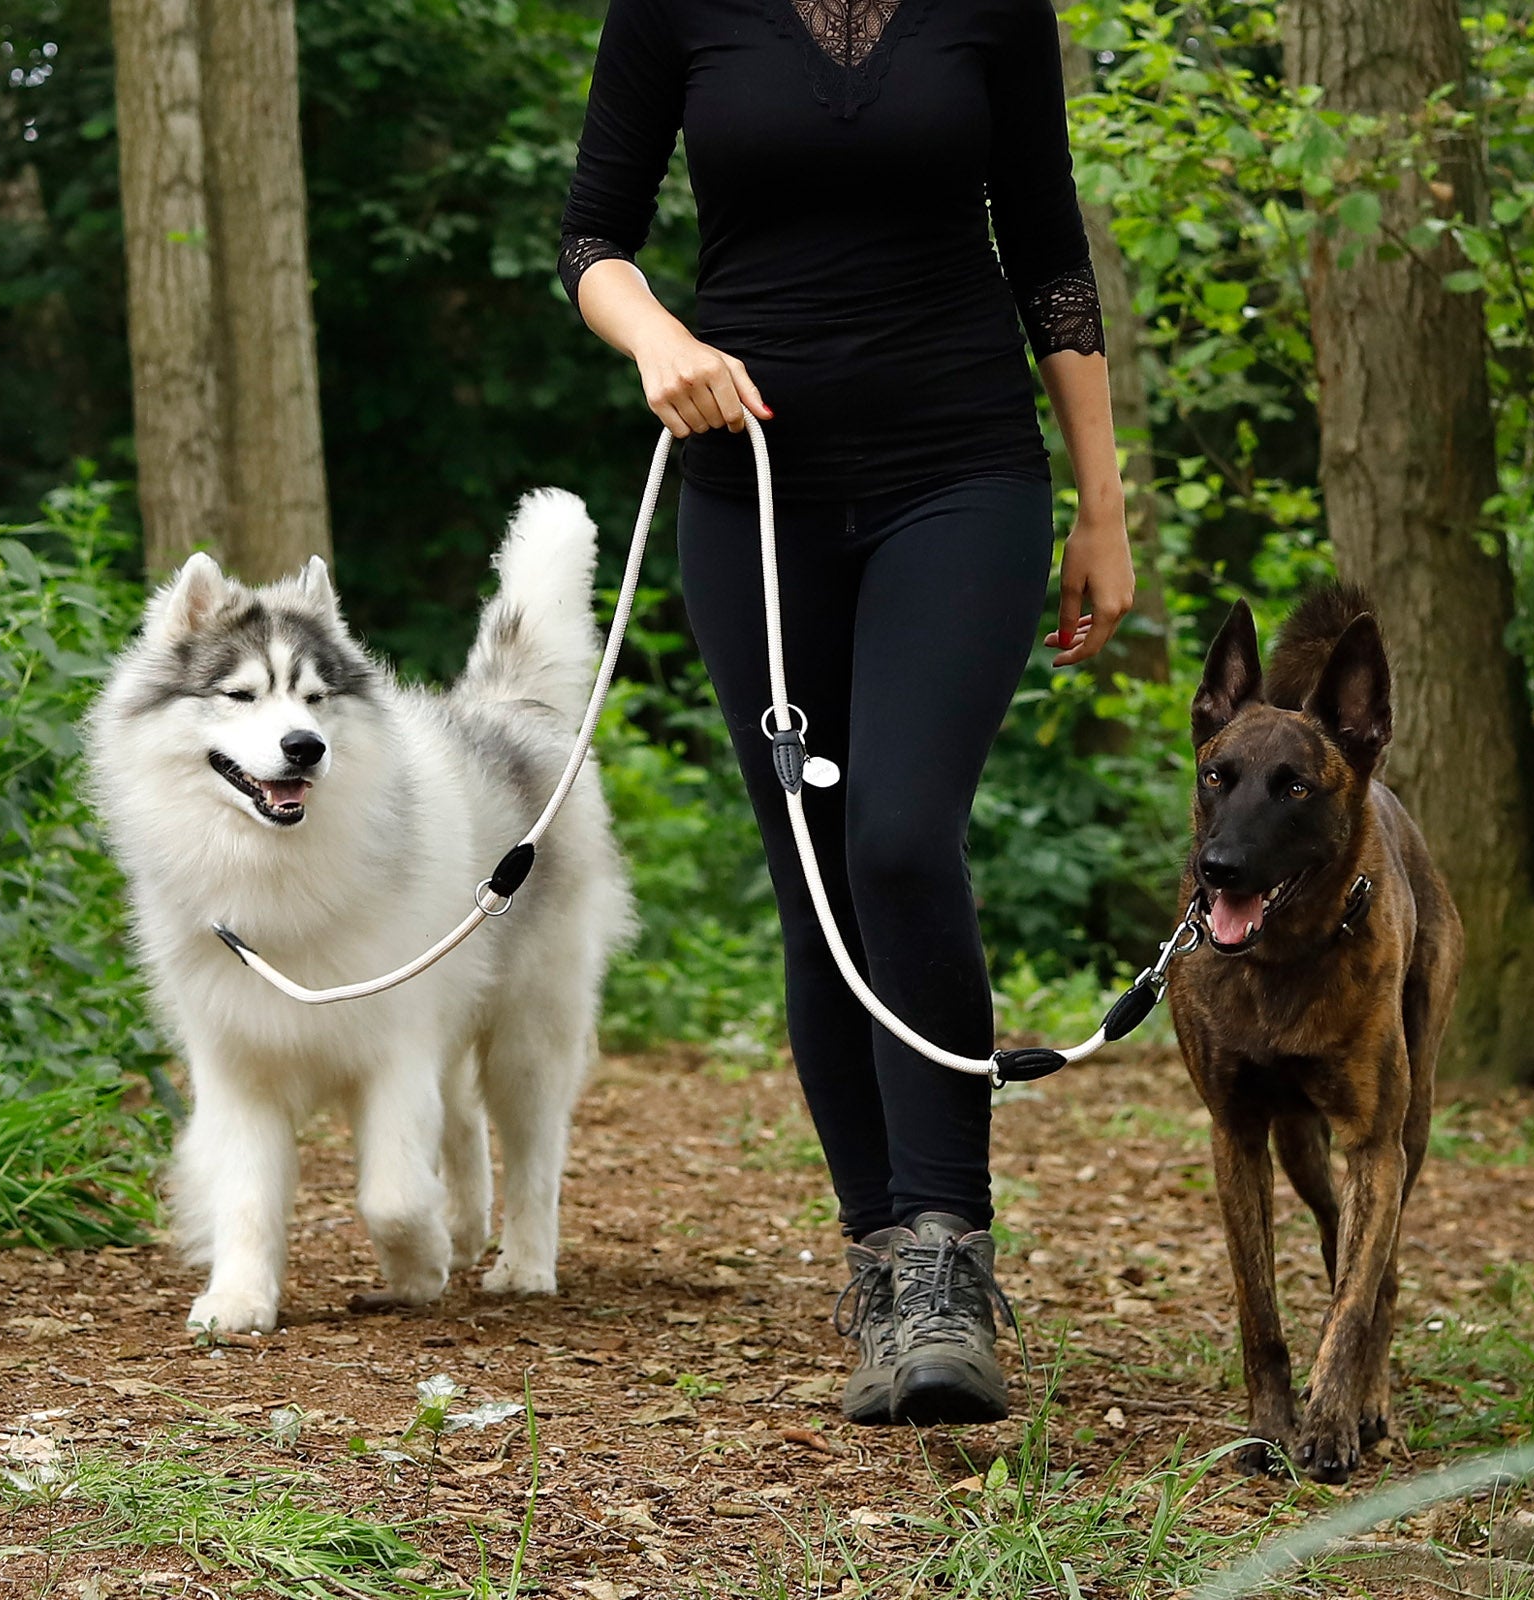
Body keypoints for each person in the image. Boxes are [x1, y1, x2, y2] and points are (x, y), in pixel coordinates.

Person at [558, 0, 1134, 1426]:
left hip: (963, 472)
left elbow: (1049, 253)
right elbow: (591, 237)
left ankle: (947, 1254)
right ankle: (884, 1267)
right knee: (816, 869)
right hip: (752, 489)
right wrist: (657, 340)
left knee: (897, 833)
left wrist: (1105, 508)